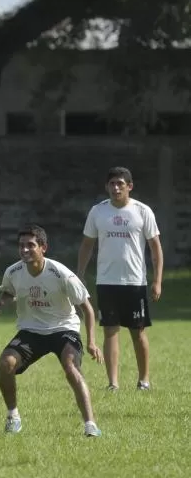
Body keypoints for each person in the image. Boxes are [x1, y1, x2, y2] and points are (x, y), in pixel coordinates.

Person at [0, 224, 103, 437]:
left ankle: (90, 425)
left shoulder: (61, 274)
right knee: (5, 363)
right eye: (21, 245)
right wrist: (2, 301)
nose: (25, 250)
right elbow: (9, 291)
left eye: (31, 245)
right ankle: (13, 416)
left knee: (71, 367)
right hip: (31, 330)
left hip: (63, 329)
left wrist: (91, 342)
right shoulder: (13, 271)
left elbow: (88, 309)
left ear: (43, 247)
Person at [77, 167, 163, 391]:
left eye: (120, 184)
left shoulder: (143, 212)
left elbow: (155, 248)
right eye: (112, 184)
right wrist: (80, 273)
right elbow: (87, 245)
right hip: (106, 281)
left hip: (135, 282)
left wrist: (157, 281)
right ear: (107, 187)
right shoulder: (98, 212)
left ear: (129, 186)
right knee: (109, 331)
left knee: (138, 331)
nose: (116, 188)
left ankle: (143, 380)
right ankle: (113, 383)